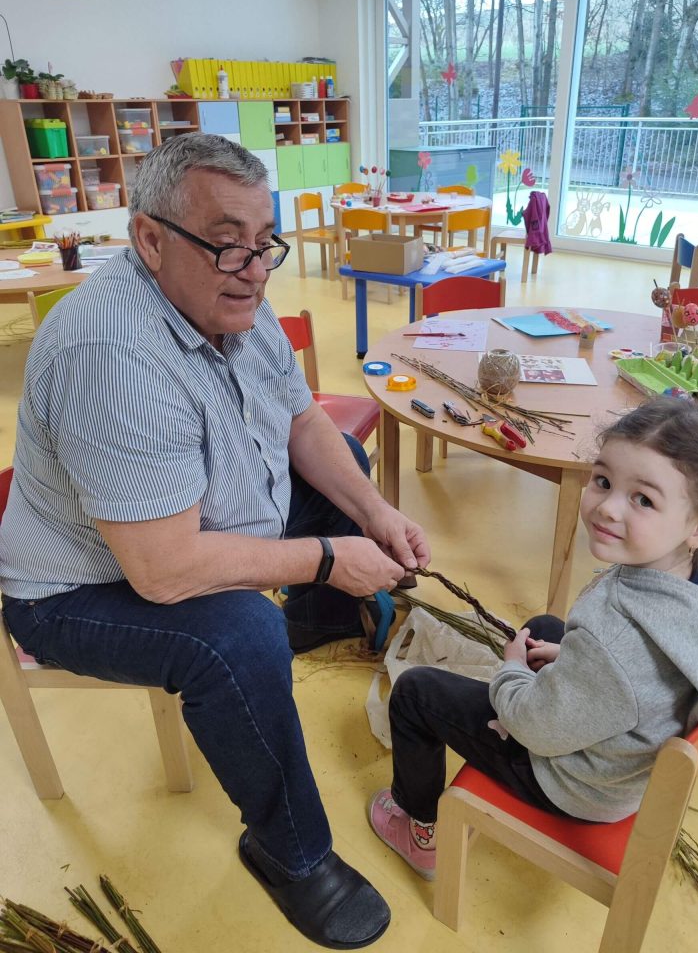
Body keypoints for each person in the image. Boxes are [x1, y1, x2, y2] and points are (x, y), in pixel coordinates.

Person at [0, 133, 431, 949]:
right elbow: (163, 574)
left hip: (185, 526)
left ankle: (314, 619)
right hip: (78, 588)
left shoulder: (235, 293)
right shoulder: (112, 353)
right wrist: (328, 559)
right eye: (227, 244)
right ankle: (289, 853)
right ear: (149, 238)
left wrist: (375, 515)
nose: (256, 269)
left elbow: (303, 422)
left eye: (265, 242)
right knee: (238, 636)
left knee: (347, 464)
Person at [368, 396, 698, 881]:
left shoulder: (614, 634)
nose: (607, 508)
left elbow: (536, 728)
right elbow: (640, 677)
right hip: (630, 754)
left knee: (415, 693)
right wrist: (572, 659)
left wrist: (512, 671)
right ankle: (551, 662)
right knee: (544, 627)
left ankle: (421, 830)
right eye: (603, 481)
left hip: (576, 783)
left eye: (643, 499)